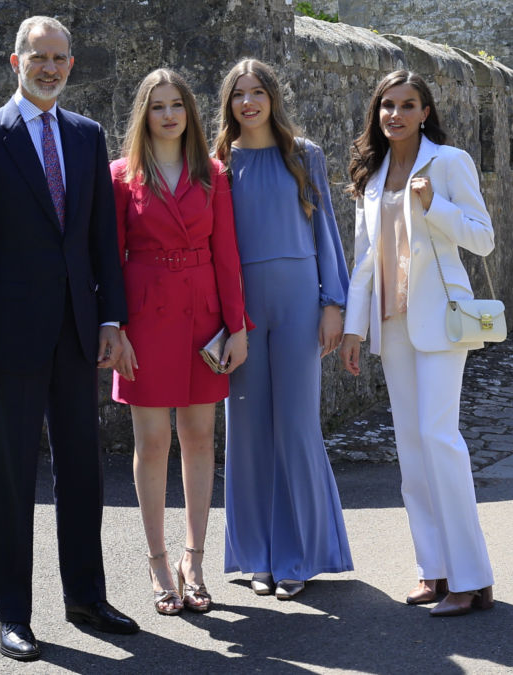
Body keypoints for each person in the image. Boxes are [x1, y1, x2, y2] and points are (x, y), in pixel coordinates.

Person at [0, 16, 138, 662]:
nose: (49, 67)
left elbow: (101, 239)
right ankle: (14, 616)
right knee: (13, 478)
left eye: (59, 58)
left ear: (71, 64)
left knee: (83, 471)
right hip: (10, 339)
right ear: (15, 62)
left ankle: (86, 597)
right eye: (38, 57)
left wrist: (111, 319)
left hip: (79, 332)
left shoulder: (86, 135)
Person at [339, 70, 496, 618]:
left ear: (425, 112)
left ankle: (471, 577)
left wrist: (435, 207)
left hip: (442, 319)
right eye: (388, 105)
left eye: (408, 105)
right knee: (410, 447)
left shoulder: (448, 162)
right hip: (392, 323)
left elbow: (483, 238)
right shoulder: (373, 175)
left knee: (438, 437)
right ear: (377, 113)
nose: (396, 114)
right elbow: (365, 257)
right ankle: (434, 568)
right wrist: (355, 327)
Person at [109, 69, 249, 616]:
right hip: (144, 319)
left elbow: (227, 255)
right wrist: (115, 329)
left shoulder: (213, 173)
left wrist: (237, 327)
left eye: (176, 105)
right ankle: (158, 561)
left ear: (190, 112)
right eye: (157, 106)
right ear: (143, 115)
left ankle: (195, 559)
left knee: (198, 436)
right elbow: (110, 259)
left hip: (203, 319)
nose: (168, 115)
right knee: (151, 442)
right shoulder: (121, 176)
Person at [213, 58, 354, 601]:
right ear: (228, 103)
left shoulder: (304, 154)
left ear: (273, 97)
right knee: (247, 429)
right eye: (238, 94)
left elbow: (326, 231)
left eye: (257, 92)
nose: (248, 102)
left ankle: (299, 555)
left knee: (296, 426)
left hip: (299, 302)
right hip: (242, 308)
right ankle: (257, 556)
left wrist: (333, 303)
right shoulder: (219, 164)